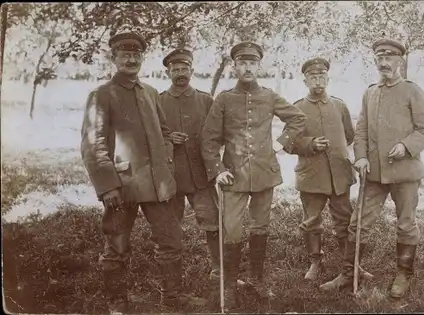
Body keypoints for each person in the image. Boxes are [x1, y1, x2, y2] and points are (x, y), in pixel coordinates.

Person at [81, 32, 203, 313]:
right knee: (117, 245)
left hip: (156, 185)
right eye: (125, 55)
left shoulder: (149, 92)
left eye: (136, 55)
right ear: (114, 58)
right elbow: (93, 144)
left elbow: (162, 130)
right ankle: (117, 302)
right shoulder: (102, 94)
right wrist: (107, 185)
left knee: (171, 240)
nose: (131, 59)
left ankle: (172, 297)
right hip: (122, 187)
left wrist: (170, 152)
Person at [319, 38, 424, 298]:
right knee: (357, 223)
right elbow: (361, 131)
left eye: (389, 58)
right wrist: (360, 157)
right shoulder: (370, 92)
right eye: (380, 58)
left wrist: (406, 146)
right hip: (373, 174)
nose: (384, 63)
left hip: (405, 173)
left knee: (406, 224)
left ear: (400, 61)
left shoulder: (412, 91)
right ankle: (349, 274)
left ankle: (403, 275)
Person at [201, 41, 306, 310]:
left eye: (252, 63)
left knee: (261, 228)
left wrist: (282, 143)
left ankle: (256, 279)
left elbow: (298, 119)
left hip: (264, 175)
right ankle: (229, 286)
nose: (247, 68)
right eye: (242, 63)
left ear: (259, 66)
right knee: (232, 230)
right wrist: (218, 171)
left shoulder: (270, 96)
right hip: (233, 177)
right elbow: (209, 139)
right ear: (235, 66)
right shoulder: (224, 99)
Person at [286, 57, 371, 282]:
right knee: (312, 220)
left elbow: (349, 135)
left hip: (339, 175)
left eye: (322, 76)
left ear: (328, 78)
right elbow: (287, 143)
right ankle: (315, 262)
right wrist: (310, 144)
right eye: (313, 77)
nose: (318, 81)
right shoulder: (296, 108)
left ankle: (351, 265)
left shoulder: (339, 105)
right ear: (305, 81)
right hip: (312, 175)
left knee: (345, 219)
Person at [159, 48, 221, 281]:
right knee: (169, 227)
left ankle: (218, 268)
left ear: (192, 71)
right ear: (168, 72)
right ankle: (173, 274)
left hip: (200, 176)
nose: (180, 73)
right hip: (171, 176)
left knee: (213, 222)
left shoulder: (205, 100)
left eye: (185, 69)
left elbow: (217, 134)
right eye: (175, 69)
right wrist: (168, 139)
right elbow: (152, 136)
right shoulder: (158, 101)